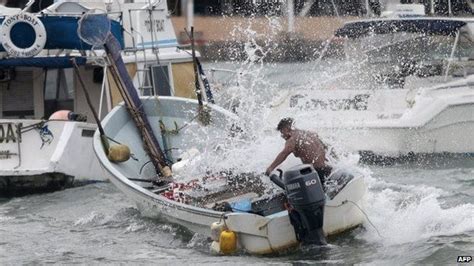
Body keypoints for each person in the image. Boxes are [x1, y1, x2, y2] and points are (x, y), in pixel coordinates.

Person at [265, 117, 332, 183]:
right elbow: (327, 147)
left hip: (317, 172)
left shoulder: (292, 139)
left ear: (286, 128)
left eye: (282, 132)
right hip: (327, 168)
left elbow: (284, 154)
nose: (282, 136)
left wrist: (270, 168)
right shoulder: (310, 133)